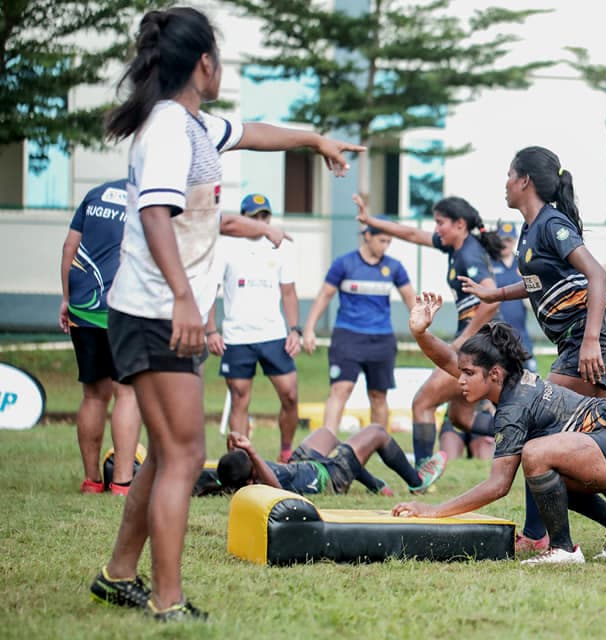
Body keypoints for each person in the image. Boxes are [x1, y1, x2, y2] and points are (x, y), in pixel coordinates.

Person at [89, 6, 365, 622]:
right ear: (204, 64)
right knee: (184, 457)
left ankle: (119, 575)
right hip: (157, 312)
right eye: (221, 59)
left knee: (167, 454)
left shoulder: (193, 126)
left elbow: (256, 131)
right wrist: (186, 298)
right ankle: (167, 602)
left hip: (161, 312)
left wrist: (314, 140)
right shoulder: (166, 128)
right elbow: (154, 214)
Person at [460, 146, 606, 553]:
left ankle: (539, 535)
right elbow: (537, 284)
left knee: (542, 424)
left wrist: (589, 340)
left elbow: (597, 274)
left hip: (595, 333)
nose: (505, 184)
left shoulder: (551, 223)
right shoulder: (531, 230)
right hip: (581, 337)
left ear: (524, 180)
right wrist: (495, 292)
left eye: (509, 176)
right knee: (585, 439)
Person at [393, 294, 606, 565]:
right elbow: (451, 361)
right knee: (549, 478)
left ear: (495, 374)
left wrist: (435, 511)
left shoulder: (513, 407)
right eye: (462, 373)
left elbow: (498, 486)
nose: (460, 380)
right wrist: (421, 332)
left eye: (468, 374)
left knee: (534, 454)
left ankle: (562, 549)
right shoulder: (510, 380)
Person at [355, 195, 501, 467]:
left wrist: (464, 338)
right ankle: (521, 431)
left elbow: (492, 299)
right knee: (461, 418)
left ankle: (421, 477)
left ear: (459, 225)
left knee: (422, 402)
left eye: (440, 223)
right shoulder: (457, 247)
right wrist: (370, 220)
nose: (435, 229)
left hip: (480, 343)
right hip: (482, 340)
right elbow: (411, 233)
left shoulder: (469, 253)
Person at [302, 203, 416, 436]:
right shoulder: (344, 264)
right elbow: (325, 295)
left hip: (381, 338)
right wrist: (309, 329)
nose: (385, 246)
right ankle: (325, 445)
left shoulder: (394, 268)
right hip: (348, 336)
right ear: (367, 236)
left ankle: (378, 446)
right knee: (340, 389)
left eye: (389, 242)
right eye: (382, 240)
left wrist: (422, 328)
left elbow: (410, 300)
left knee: (378, 395)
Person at [59, 179, 142, 496]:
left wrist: (66, 299)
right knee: (127, 393)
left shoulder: (96, 194)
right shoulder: (147, 196)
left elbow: (70, 247)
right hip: (122, 306)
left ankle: (92, 480)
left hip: (83, 304)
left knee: (93, 395)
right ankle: (122, 482)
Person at [206, 193, 302, 463]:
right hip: (237, 336)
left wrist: (295, 329)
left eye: (265, 216)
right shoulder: (225, 246)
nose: (260, 222)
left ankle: (286, 452)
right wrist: (211, 330)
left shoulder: (281, 246)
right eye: (254, 217)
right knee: (239, 398)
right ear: (243, 218)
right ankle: (238, 462)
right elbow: (210, 291)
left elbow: (289, 292)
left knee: (290, 395)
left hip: (273, 334)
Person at [217, 426, 446, 496]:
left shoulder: (247, 479)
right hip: (329, 477)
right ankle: (417, 482)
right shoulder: (263, 486)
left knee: (326, 434)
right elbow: (278, 492)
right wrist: (253, 453)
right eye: (249, 460)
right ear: (250, 479)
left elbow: (231, 475)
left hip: (303, 466)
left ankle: (375, 485)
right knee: (377, 433)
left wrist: (233, 451)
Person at [491, 220, 538, 372]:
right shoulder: (488, 265)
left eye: (508, 240)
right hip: (494, 336)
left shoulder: (523, 264)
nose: (505, 244)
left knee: (530, 379)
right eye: (501, 240)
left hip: (520, 335)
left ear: (514, 240)